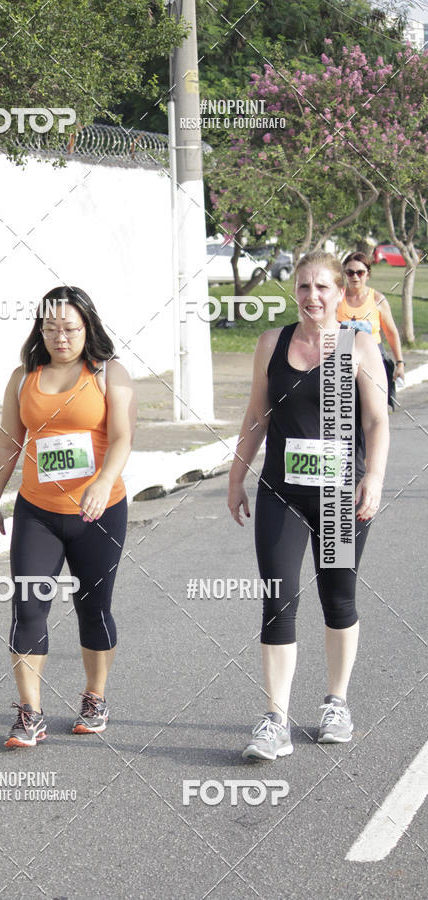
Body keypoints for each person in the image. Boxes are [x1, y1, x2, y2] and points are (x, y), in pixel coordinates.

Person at [228, 251, 389, 761]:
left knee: (337, 597)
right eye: (303, 287)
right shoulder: (272, 343)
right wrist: (236, 477)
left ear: (341, 292)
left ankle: (336, 703)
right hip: (283, 492)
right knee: (277, 597)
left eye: (322, 287)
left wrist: (374, 477)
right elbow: (256, 415)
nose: (312, 296)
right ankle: (276, 720)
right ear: (294, 291)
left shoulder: (358, 345)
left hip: (340, 497)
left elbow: (377, 421)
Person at [0, 286, 136, 748]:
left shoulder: (108, 373)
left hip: (98, 512)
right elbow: (9, 442)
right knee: (28, 606)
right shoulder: (23, 377)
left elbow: (123, 438)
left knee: (93, 607)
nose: (60, 337)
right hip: (38, 513)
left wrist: (103, 482)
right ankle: (30, 712)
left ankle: (95, 697)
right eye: (51, 328)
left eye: (69, 328)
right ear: (40, 330)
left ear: (87, 327)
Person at [337, 251, 405, 410]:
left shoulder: (377, 299)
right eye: (350, 272)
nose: (355, 277)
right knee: (344, 413)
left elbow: (391, 333)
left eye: (360, 272)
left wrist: (400, 363)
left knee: (373, 410)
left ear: (368, 274)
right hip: (343, 360)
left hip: (374, 359)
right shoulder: (336, 299)